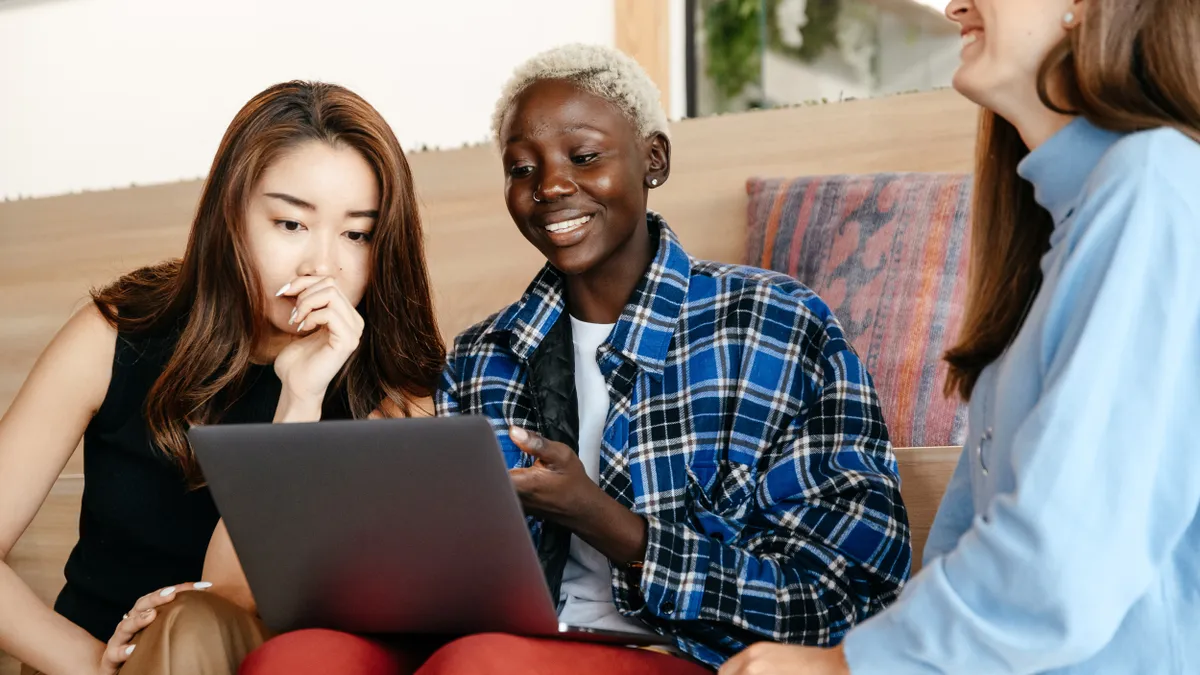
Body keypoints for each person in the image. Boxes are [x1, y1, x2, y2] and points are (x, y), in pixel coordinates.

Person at [239, 44, 911, 675]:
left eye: (584, 156)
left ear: (653, 159)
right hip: (495, 645)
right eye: (522, 168)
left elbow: (847, 593)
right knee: (296, 658)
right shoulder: (482, 356)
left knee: (480, 666)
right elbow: (447, 587)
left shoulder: (776, 325)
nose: (551, 186)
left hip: (684, 652)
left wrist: (611, 524)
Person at [718, 1, 1200, 673]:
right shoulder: (1055, 238)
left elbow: (1065, 562)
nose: (955, 7)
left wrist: (843, 666)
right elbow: (962, 547)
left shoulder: (1153, 184)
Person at [0, 80, 445, 675]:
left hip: (247, 661)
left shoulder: (394, 397)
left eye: (356, 234)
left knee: (192, 621)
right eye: (290, 224)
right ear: (231, 215)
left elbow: (232, 597)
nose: (322, 266)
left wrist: (299, 400)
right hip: (86, 664)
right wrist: (89, 664)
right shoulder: (118, 334)